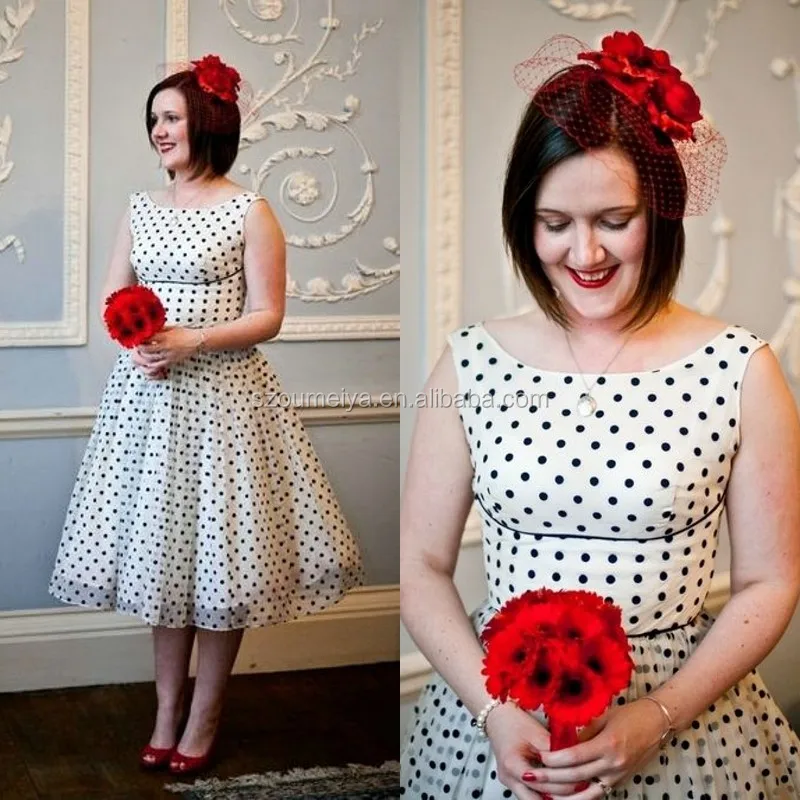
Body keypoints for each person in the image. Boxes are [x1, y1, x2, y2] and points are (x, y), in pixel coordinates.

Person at [400, 31, 800, 799]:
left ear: (664, 209)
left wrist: (656, 714)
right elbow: (420, 568)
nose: (584, 253)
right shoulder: (469, 361)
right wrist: (490, 710)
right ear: (526, 221)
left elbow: (769, 581)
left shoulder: (743, 368)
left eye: (615, 219)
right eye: (555, 223)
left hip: (681, 721)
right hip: (501, 713)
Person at [49, 54, 363, 776]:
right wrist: (137, 341)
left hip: (226, 405)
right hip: (148, 406)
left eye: (171, 117)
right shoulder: (139, 207)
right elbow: (111, 294)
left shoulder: (249, 209)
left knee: (223, 569)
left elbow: (269, 316)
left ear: (208, 122)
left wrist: (189, 340)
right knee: (165, 565)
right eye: (154, 119)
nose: (159, 130)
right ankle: (165, 710)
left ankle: (207, 712)